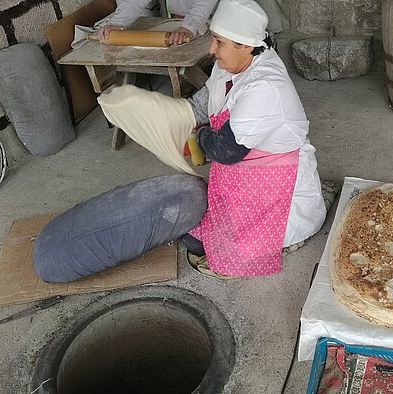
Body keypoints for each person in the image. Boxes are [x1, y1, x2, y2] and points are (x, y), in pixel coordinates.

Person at [182, 0, 327, 278]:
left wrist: (198, 137)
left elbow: (226, 150)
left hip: (279, 189)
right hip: (246, 179)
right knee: (196, 234)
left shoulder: (265, 86)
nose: (212, 49)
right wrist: (173, 116)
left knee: (227, 251)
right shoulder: (230, 64)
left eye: (218, 41)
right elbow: (202, 104)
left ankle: (295, 234)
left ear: (247, 45)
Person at [98, 0, 218, 45]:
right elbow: (135, 1)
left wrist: (189, 26)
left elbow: (205, 2)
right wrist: (117, 22)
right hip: (177, 22)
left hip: (212, 22)